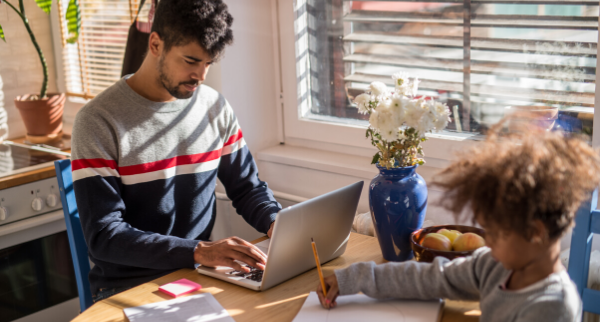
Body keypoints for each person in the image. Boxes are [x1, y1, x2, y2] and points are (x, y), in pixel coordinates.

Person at [71, 0, 281, 302]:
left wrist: (278, 225)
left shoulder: (214, 107)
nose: (201, 75)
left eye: (208, 63)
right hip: (129, 286)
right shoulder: (98, 121)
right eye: (191, 60)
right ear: (155, 43)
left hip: (197, 275)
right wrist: (199, 251)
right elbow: (105, 237)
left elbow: (247, 188)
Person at [316, 125, 600, 321]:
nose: (488, 240)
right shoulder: (494, 265)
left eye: (498, 232)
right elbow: (431, 278)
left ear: (535, 232)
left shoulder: (552, 308)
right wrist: (352, 278)